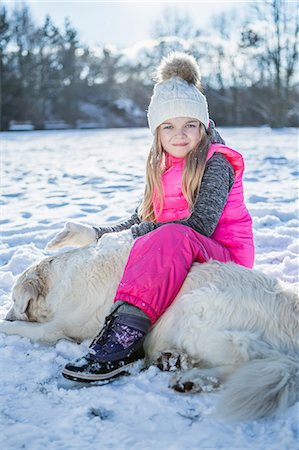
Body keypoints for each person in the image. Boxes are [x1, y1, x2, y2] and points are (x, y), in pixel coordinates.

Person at [46, 52, 254, 383]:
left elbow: (200, 227)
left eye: (190, 125)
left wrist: (143, 232)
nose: (180, 134)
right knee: (150, 241)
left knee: (166, 236)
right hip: (177, 251)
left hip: (223, 255)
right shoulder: (161, 167)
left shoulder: (217, 163)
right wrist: (96, 233)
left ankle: (126, 340)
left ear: (204, 126)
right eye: (168, 126)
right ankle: (118, 320)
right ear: (155, 132)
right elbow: (139, 220)